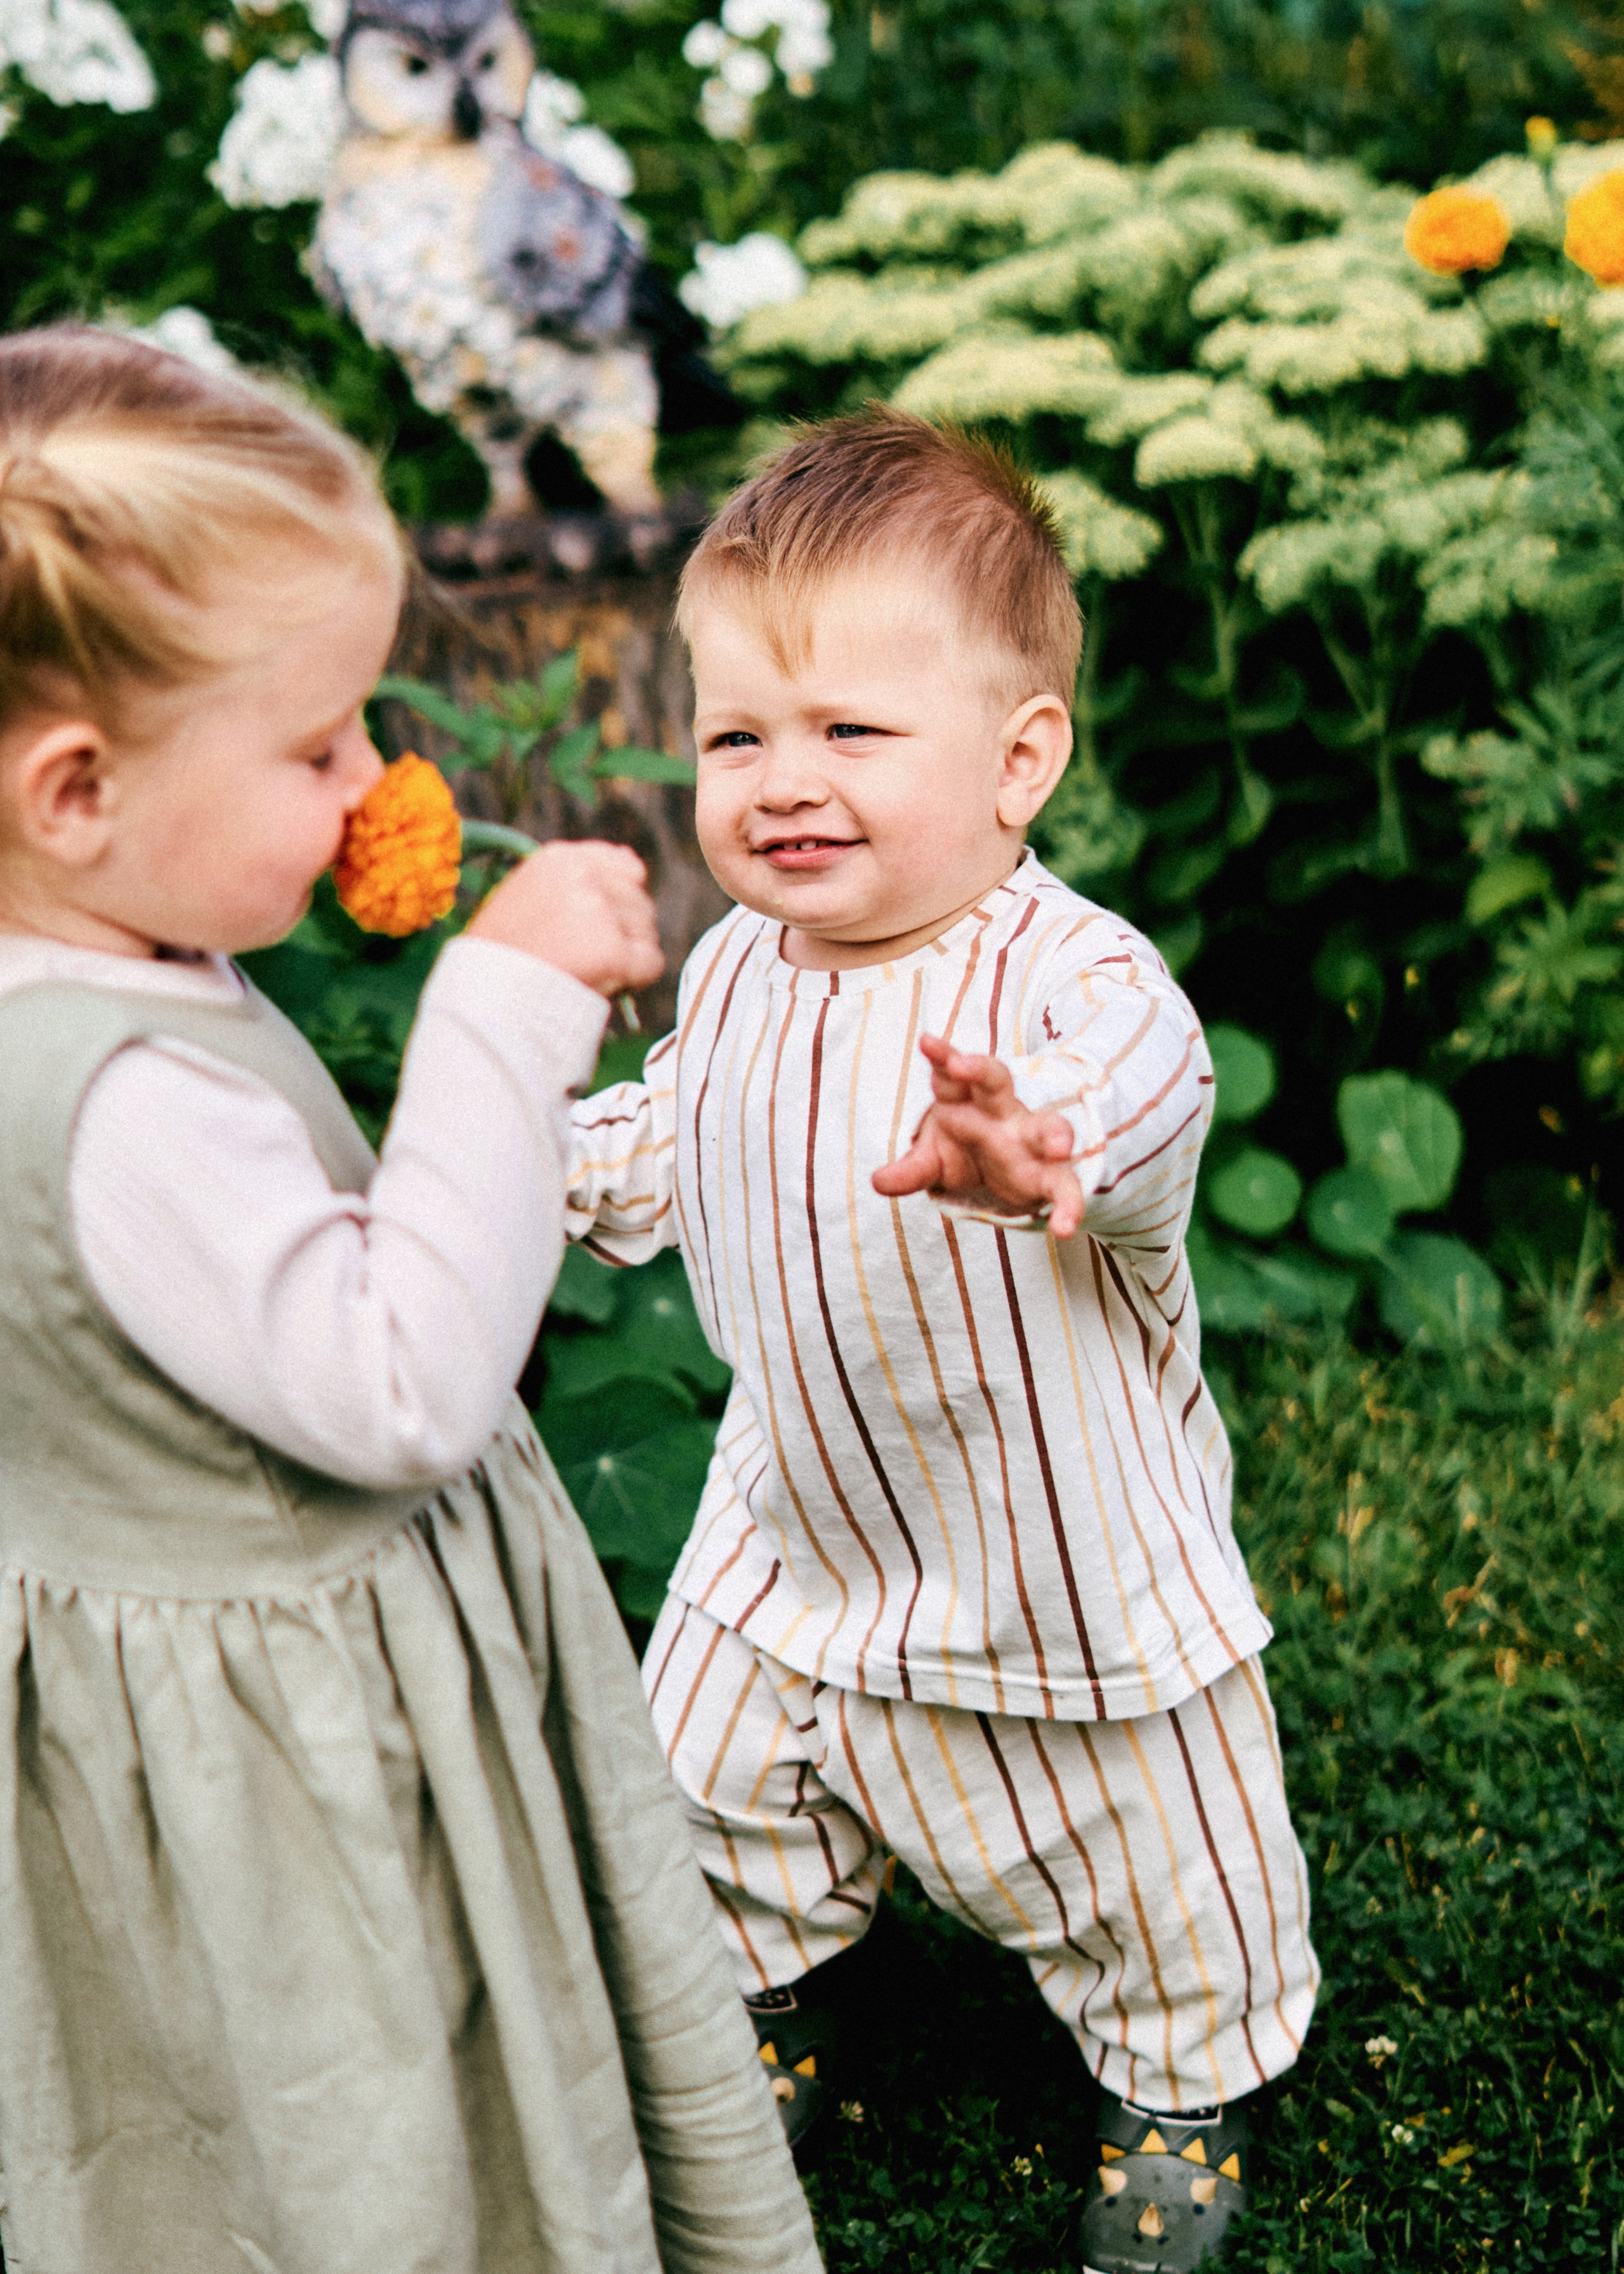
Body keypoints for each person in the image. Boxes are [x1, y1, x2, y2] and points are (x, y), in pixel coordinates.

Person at [0, 324, 823, 2274]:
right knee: (356, 2101)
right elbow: (399, 1389)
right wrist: (499, 1016)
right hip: (285, 1765)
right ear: (76, 790)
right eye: (317, 746)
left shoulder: (73, 979)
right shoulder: (123, 1104)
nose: (379, 774)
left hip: (134, 1705)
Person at [565, 407, 1320, 2273]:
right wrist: (525, 1159)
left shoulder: (1070, 981)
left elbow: (1150, 1095)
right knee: (706, 1796)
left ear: (1018, 759)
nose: (782, 783)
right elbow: (674, 1130)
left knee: (1151, 1857)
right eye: (739, 734)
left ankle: (1179, 2084)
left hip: (1050, 1550)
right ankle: (752, 1999)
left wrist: (1039, 1141)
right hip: (798, 1531)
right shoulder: (740, 962)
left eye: (850, 733)